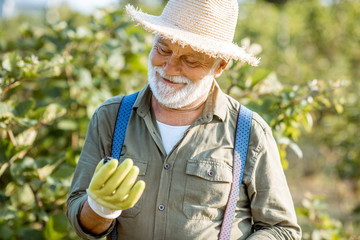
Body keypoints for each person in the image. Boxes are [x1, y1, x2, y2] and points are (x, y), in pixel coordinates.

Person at [66, 0, 302, 239]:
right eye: (163, 49)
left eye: (190, 60)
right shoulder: (112, 117)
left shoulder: (249, 132)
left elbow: (281, 229)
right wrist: (99, 209)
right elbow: (80, 218)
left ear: (220, 65)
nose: (169, 68)